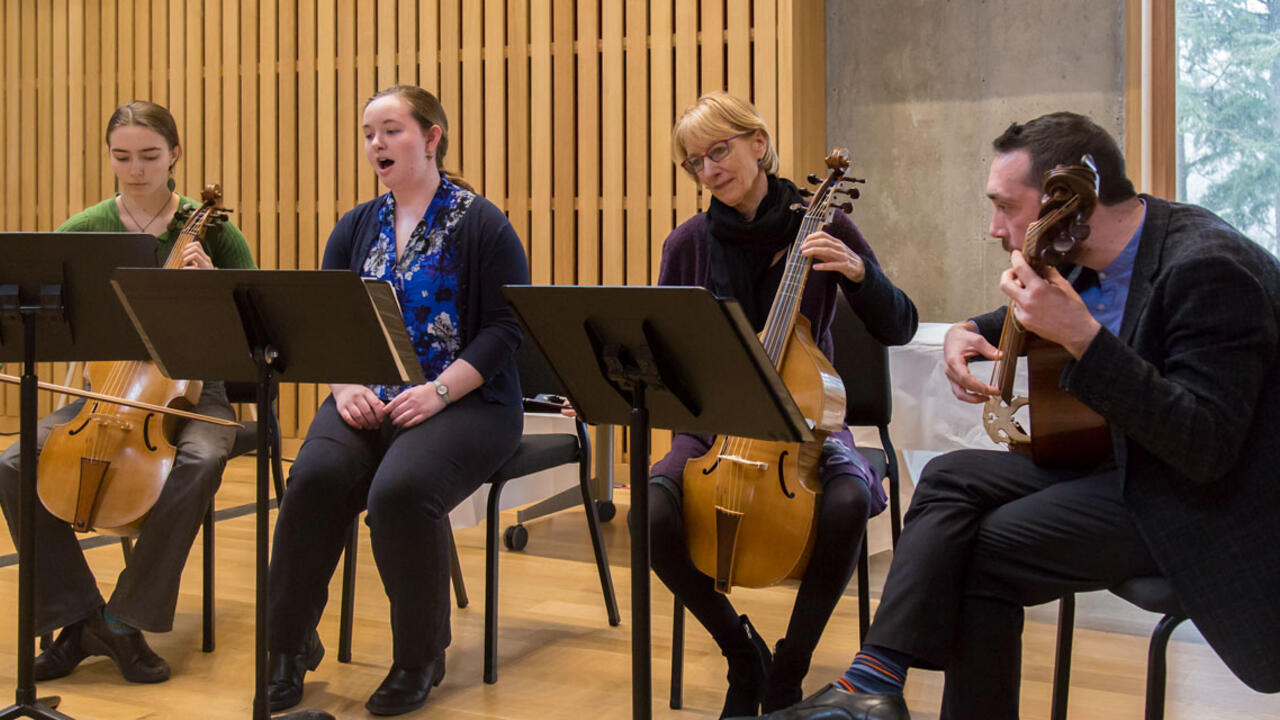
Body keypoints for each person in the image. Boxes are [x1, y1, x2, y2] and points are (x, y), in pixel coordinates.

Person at [757, 111, 1280, 720]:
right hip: (1120, 464)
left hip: (1200, 502)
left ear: (1066, 200)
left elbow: (1207, 447)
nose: (993, 227)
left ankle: (868, 694)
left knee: (976, 550)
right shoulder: (1095, 252)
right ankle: (872, 685)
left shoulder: (1209, 268)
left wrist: (1085, 340)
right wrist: (966, 331)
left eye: (1006, 206)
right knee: (949, 477)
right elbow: (1057, 304)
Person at [647, 91, 918, 718]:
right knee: (652, 516)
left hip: (806, 421)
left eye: (720, 151)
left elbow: (899, 324)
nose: (710, 171)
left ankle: (788, 671)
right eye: (694, 163)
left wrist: (857, 271)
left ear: (759, 144)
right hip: (717, 426)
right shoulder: (688, 243)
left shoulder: (824, 222)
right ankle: (744, 657)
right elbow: (666, 341)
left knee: (848, 501)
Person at [265, 85, 529, 717]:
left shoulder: (483, 222)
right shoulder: (356, 225)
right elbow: (322, 323)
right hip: (366, 393)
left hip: (467, 401)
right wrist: (342, 385)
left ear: (432, 136)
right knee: (314, 477)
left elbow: (505, 330)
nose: (375, 144)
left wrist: (438, 393)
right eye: (368, 133)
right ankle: (289, 648)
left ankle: (419, 657)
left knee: (400, 492)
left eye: (390, 130)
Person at [0, 100, 257, 684]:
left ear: (175, 156)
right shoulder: (85, 230)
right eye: (122, 157)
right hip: (107, 390)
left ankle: (124, 620)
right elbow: (57, 319)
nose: (136, 169)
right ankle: (75, 616)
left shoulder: (213, 229)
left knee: (201, 457)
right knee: (14, 462)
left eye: (149, 156)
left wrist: (215, 289)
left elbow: (255, 328)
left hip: (198, 386)